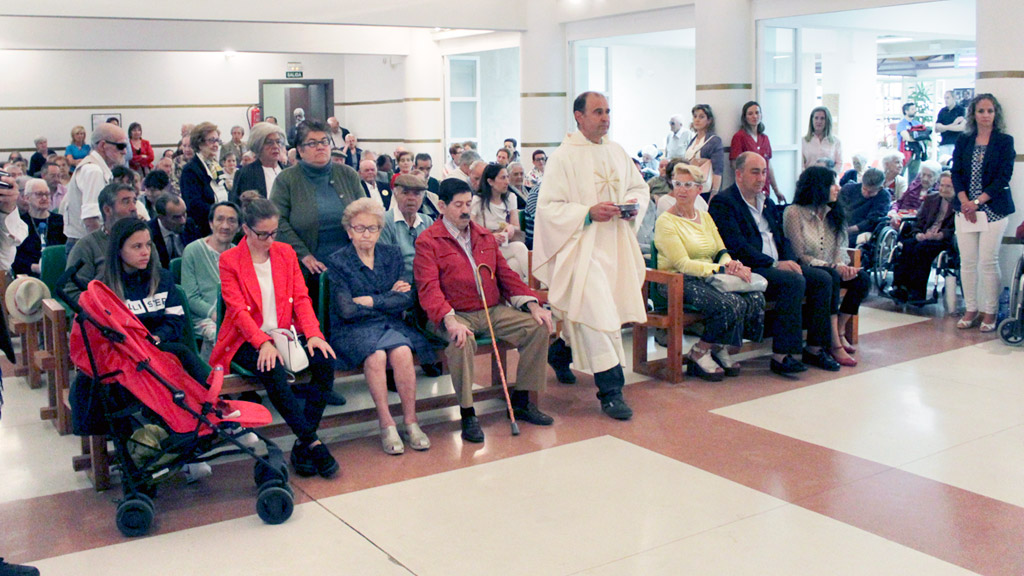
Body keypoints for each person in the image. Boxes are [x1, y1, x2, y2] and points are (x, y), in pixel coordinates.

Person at [533, 91, 650, 420]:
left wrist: (630, 208)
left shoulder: (617, 151)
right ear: (578, 116)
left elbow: (639, 189)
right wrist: (587, 212)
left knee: (598, 315)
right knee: (597, 316)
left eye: (608, 111)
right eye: (598, 112)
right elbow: (549, 209)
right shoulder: (563, 157)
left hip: (615, 244)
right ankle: (611, 391)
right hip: (581, 248)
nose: (605, 118)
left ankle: (560, 352)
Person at [414, 179, 554, 443]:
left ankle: (522, 400)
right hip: (453, 313)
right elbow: (428, 288)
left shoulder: (484, 236)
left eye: (469, 203)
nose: (465, 210)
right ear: (442, 206)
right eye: (458, 205)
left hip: (490, 310)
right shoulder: (428, 241)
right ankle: (468, 413)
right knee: (460, 341)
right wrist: (450, 320)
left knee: (537, 327)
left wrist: (533, 304)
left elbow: (506, 275)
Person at [209, 198, 339, 478]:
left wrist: (314, 335)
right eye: (262, 234)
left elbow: (302, 299)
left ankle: (303, 442)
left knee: (326, 361)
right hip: (245, 338)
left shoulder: (285, 253)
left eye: (274, 233)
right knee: (273, 368)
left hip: (284, 332)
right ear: (245, 229)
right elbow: (238, 311)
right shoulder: (229, 260)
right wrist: (262, 342)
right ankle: (312, 442)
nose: (269, 239)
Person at [709, 152, 839, 375]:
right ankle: (782, 355)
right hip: (748, 267)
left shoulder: (766, 202)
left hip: (775, 264)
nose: (761, 178)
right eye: (755, 172)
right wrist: (773, 263)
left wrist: (787, 259)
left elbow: (781, 238)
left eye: (764, 172)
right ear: (739, 175)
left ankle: (815, 347)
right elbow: (736, 245)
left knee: (824, 278)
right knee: (793, 281)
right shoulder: (724, 202)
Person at [326, 199, 436, 454]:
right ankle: (386, 424)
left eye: (373, 228)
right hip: (352, 328)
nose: (367, 234)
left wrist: (371, 300)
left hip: (389, 323)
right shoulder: (337, 261)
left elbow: (405, 298)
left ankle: (411, 422)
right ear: (349, 230)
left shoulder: (392, 253)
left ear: (379, 230)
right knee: (375, 357)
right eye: (360, 228)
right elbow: (347, 309)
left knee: (403, 352)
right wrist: (387, 297)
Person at [654, 163, 764, 380]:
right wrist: (721, 268)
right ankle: (700, 351)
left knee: (755, 297)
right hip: (677, 280)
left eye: (688, 185)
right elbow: (683, 264)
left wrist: (731, 264)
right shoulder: (666, 221)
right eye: (678, 184)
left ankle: (719, 345)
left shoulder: (704, 217)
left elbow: (721, 249)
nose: (682, 190)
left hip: (708, 275)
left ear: (698, 189)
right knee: (731, 304)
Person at [102, 217, 209, 382]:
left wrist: (158, 336)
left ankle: (215, 401)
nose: (145, 252)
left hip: (161, 346)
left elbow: (175, 319)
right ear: (118, 250)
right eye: (137, 246)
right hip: (126, 354)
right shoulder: (104, 288)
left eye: (148, 245)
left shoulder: (163, 278)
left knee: (183, 353)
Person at [783, 166, 868, 367]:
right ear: (818, 187)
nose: (837, 188)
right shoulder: (794, 213)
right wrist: (832, 266)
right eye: (832, 184)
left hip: (833, 267)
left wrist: (843, 266)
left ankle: (838, 330)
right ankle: (832, 343)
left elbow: (841, 246)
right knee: (829, 277)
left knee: (863, 279)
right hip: (809, 267)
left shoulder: (834, 213)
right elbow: (799, 254)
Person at [952, 93, 1016, 332]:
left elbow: (1003, 177)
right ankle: (971, 308)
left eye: (990, 111)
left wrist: (978, 202)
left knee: (988, 262)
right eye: (981, 111)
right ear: (973, 114)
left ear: (995, 113)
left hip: (994, 209)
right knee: (967, 262)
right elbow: (956, 172)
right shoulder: (964, 140)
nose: (986, 115)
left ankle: (990, 312)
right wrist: (965, 201)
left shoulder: (1004, 141)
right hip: (965, 209)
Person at [271, 119, 363, 277]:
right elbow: (277, 221)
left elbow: (366, 214)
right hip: (305, 265)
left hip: (352, 262)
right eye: (312, 143)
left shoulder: (348, 174)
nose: (320, 147)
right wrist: (303, 255)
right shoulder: (286, 179)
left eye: (324, 141)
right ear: (300, 149)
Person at [181, 201, 240, 358]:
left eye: (232, 220)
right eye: (220, 219)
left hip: (233, 315)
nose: (225, 226)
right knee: (220, 336)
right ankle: (211, 377)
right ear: (211, 223)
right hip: (203, 317)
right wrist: (216, 314)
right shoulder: (193, 251)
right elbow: (190, 297)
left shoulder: (239, 253)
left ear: (239, 227)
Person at [63, 182, 139, 304]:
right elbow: (72, 293)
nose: (133, 208)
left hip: (144, 312)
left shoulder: (145, 242)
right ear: (107, 210)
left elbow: (157, 281)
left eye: (134, 201)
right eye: (126, 202)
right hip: (104, 314)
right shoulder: (86, 246)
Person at [59, 122, 127, 254]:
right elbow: (91, 219)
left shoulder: (96, 168)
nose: (124, 151)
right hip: (87, 246)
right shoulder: (93, 171)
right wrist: (103, 251)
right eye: (120, 146)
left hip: (85, 243)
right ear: (102, 145)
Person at [890, 171, 957, 303]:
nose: (943, 189)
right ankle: (900, 287)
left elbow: (955, 227)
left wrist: (940, 235)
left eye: (948, 186)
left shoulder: (959, 204)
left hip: (943, 240)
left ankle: (917, 292)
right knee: (907, 245)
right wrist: (917, 233)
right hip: (925, 234)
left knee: (922, 249)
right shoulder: (932, 199)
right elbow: (918, 220)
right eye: (942, 185)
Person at [471, 163, 530, 282]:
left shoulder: (510, 198)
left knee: (514, 264)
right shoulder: (478, 201)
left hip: (504, 245)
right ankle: (535, 284)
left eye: (507, 177)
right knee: (519, 248)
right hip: (485, 248)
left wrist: (510, 228)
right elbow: (470, 229)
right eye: (503, 178)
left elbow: (516, 226)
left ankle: (518, 297)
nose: (507, 182)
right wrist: (491, 236)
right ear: (490, 181)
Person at [379, 174, 434, 283]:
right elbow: (384, 263)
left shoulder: (427, 221)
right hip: (399, 283)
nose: (411, 198)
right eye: (405, 193)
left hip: (427, 280)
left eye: (417, 194)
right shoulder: (385, 221)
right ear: (395, 194)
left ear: (422, 197)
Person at [180, 122, 229, 236]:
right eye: (211, 140)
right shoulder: (191, 170)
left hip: (222, 224)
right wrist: (222, 212)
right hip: (204, 229)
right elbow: (194, 204)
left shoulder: (215, 166)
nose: (216, 145)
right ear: (200, 143)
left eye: (217, 140)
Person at [730, 101, 783, 202]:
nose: (755, 116)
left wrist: (776, 189)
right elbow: (734, 164)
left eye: (757, 113)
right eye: (750, 114)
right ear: (745, 117)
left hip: (764, 188)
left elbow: (769, 165)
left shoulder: (764, 138)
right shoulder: (739, 137)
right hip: (748, 190)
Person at [13, 178, 65, 277]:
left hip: (57, 273)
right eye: (39, 194)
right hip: (28, 276)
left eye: (47, 194)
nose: (44, 198)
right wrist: (33, 267)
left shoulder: (60, 221)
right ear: (27, 198)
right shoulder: (19, 223)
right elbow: (14, 256)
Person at [231, 122, 286, 203]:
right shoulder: (246, 174)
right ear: (258, 145)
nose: (276, 146)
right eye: (269, 142)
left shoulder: (288, 172)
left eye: (278, 142)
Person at [839, 167, 890, 247]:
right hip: (843, 223)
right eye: (864, 189)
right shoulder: (848, 189)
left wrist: (850, 230)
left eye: (871, 192)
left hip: (863, 229)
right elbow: (838, 209)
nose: (866, 194)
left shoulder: (883, 196)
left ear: (880, 188)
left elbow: (872, 220)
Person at [683, 104, 724, 199]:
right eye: (695, 116)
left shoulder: (714, 140)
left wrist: (714, 193)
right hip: (691, 186)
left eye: (701, 117)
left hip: (705, 189)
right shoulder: (692, 140)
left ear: (709, 120)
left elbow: (718, 169)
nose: (697, 120)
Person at [149, 194, 201, 269]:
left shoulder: (190, 225)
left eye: (184, 214)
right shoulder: (149, 232)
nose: (183, 221)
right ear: (161, 217)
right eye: (176, 217)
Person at [888, 160, 941, 227]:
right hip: (899, 217)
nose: (925, 179)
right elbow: (899, 202)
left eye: (929, 176)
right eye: (923, 174)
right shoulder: (914, 186)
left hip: (915, 223)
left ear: (937, 177)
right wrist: (893, 211)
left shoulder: (937, 193)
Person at [802, 106, 843, 174]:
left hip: (829, 181)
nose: (819, 121)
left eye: (822, 118)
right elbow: (801, 165)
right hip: (809, 181)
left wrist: (829, 177)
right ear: (812, 120)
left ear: (827, 121)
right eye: (816, 118)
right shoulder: (803, 141)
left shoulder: (836, 142)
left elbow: (839, 164)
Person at [935, 91, 966, 160]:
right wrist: (953, 124)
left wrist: (944, 127)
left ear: (954, 98)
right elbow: (937, 128)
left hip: (956, 143)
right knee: (943, 165)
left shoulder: (961, 110)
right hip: (944, 143)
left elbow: (962, 127)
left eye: (948, 98)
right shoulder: (942, 111)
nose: (946, 100)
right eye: (945, 98)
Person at [897, 102, 924, 183]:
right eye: (912, 109)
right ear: (906, 111)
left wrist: (915, 136)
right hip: (904, 153)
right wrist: (917, 136)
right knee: (900, 175)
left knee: (914, 178)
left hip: (916, 153)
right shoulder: (901, 124)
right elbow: (907, 137)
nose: (915, 111)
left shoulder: (917, 123)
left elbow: (924, 136)